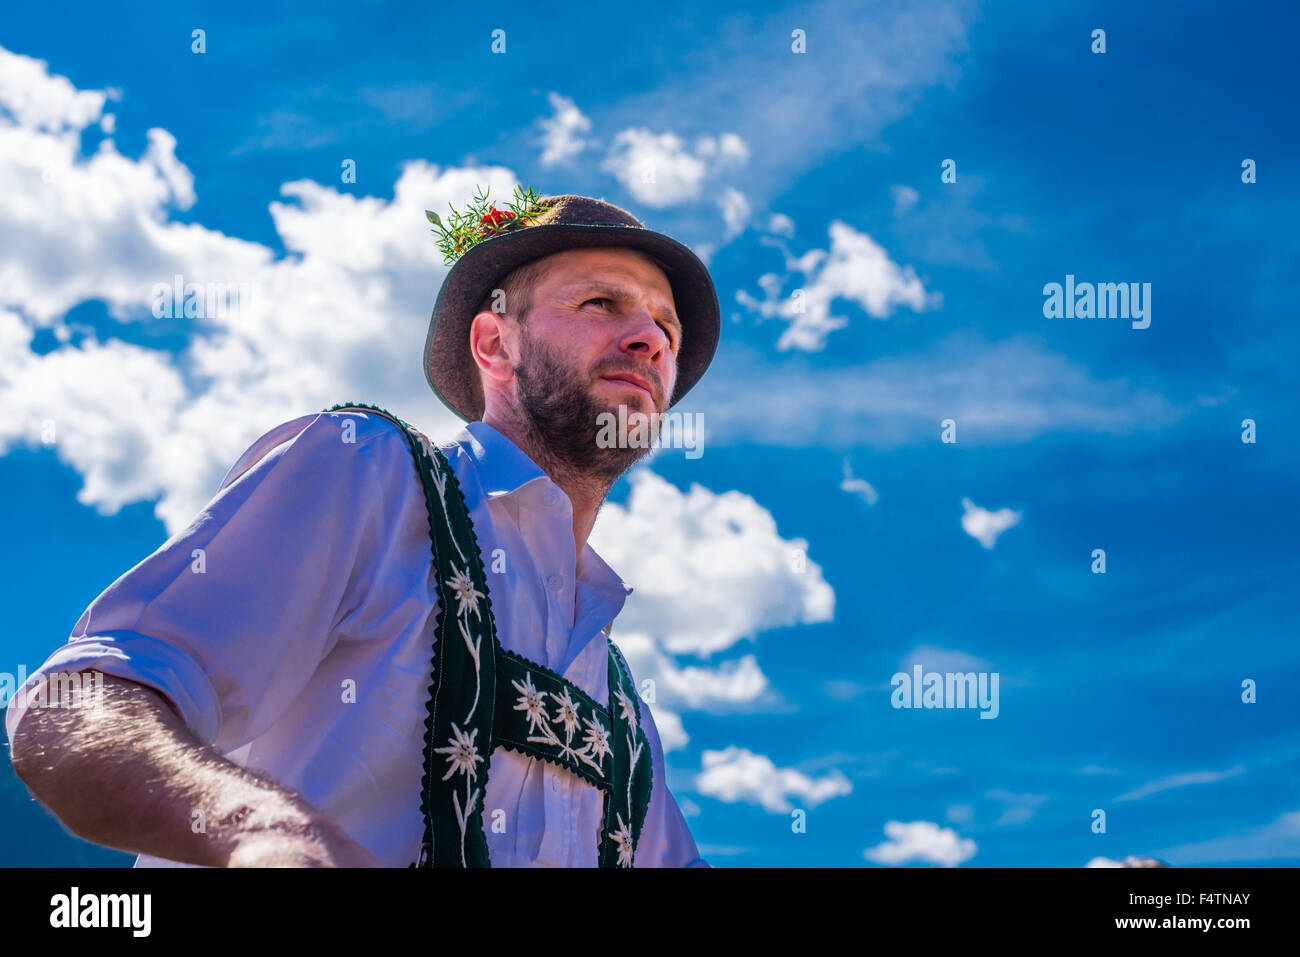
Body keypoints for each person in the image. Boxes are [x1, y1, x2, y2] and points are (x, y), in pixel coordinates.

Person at [6, 191, 721, 868]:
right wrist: (267, 833)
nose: (650, 340)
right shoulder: (369, 474)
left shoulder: (622, 704)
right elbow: (78, 702)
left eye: (667, 326)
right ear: (496, 343)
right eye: (603, 303)